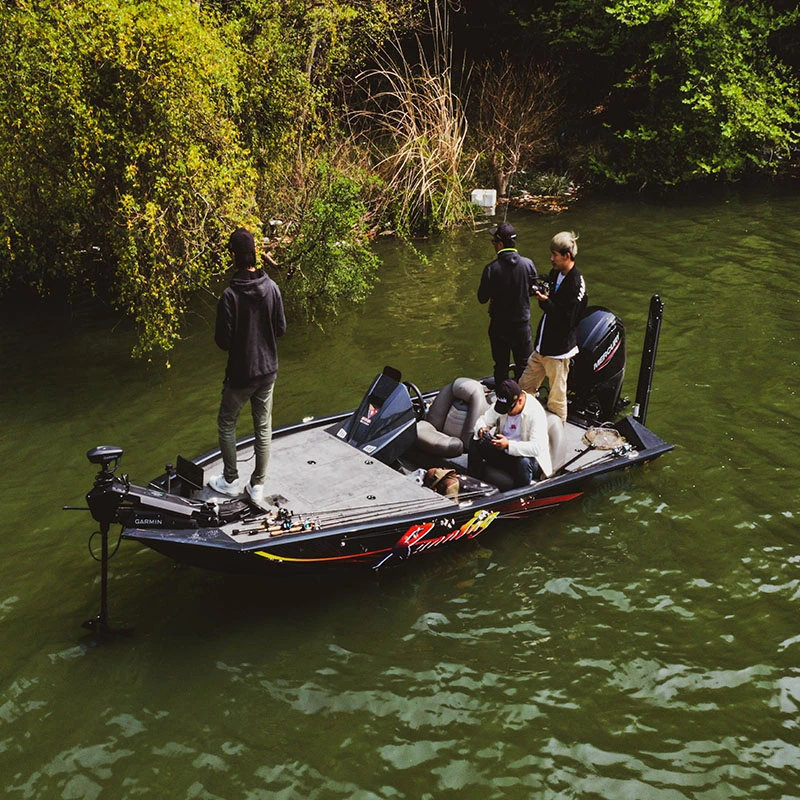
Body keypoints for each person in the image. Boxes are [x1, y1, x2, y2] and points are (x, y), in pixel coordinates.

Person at [209, 227, 287, 502]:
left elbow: (223, 342)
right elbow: (280, 329)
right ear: (255, 253)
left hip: (241, 375)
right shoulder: (273, 288)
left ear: (233, 256)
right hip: (268, 373)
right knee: (263, 427)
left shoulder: (229, 296)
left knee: (226, 422)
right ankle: (258, 485)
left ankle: (230, 479)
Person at [519, 230, 587, 423]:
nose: (551, 258)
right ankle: (523, 425)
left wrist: (546, 302)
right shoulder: (556, 273)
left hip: (558, 353)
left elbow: (568, 318)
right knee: (524, 388)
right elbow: (549, 298)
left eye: (555, 255)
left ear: (567, 256)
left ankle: (558, 438)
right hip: (542, 347)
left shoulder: (576, 284)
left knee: (556, 400)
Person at [477, 221, 538, 387]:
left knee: (501, 366)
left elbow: (482, 298)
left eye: (494, 243)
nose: (493, 246)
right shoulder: (528, 264)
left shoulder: (491, 269)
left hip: (499, 327)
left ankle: (503, 400)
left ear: (500, 244)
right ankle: (524, 399)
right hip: (522, 327)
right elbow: (534, 291)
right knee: (524, 365)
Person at [468, 378, 552, 488]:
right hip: (503, 451)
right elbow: (483, 420)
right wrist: (481, 430)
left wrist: (508, 445)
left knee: (524, 462)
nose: (507, 413)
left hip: (527, 458)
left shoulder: (536, 412)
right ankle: (472, 484)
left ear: (520, 400)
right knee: (475, 441)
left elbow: (537, 448)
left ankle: (520, 496)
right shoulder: (504, 403)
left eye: (509, 410)